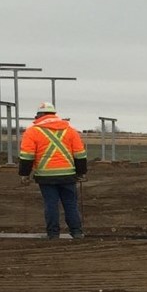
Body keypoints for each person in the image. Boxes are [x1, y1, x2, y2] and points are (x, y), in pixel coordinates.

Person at [18, 102, 88, 239]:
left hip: (46, 175)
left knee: (51, 204)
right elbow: (80, 153)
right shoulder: (70, 130)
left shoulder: (32, 131)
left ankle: (53, 234)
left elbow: (27, 155)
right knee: (70, 203)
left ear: (39, 115)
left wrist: (24, 174)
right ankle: (77, 232)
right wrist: (81, 172)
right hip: (68, 174)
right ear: (54, 114)